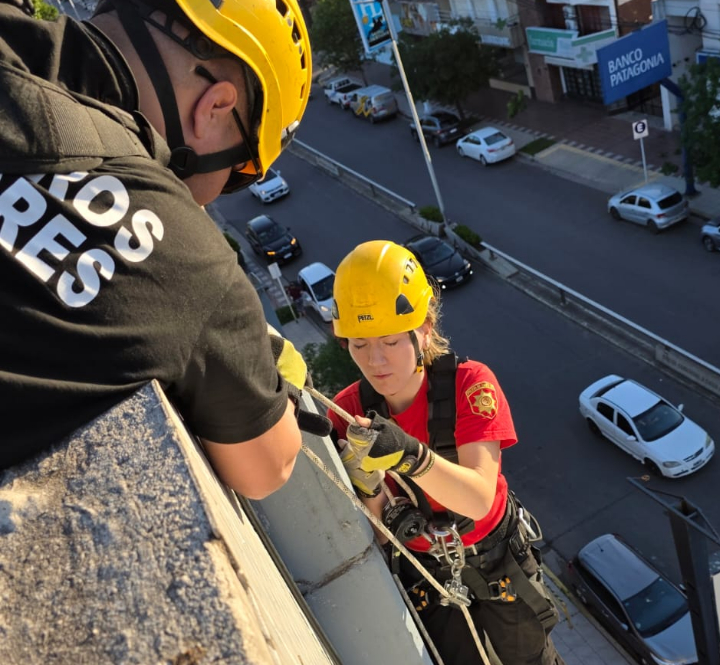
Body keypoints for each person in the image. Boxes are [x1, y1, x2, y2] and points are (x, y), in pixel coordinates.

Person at [0, 0, 329, 498]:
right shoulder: (187, 261)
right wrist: (244, 351)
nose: (217, 193)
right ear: (216, 106)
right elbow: (269, 465)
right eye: (238, 171)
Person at [327, 240, 564, 665]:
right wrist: (368, 487)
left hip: (494, 555)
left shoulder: (469, 384)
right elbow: (375, 533)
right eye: (359, 345)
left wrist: (410, 456)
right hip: (425, 567)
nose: (375, 361)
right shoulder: (347, 412)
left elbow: (477, 497)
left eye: (390, 341)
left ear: (424, 328)